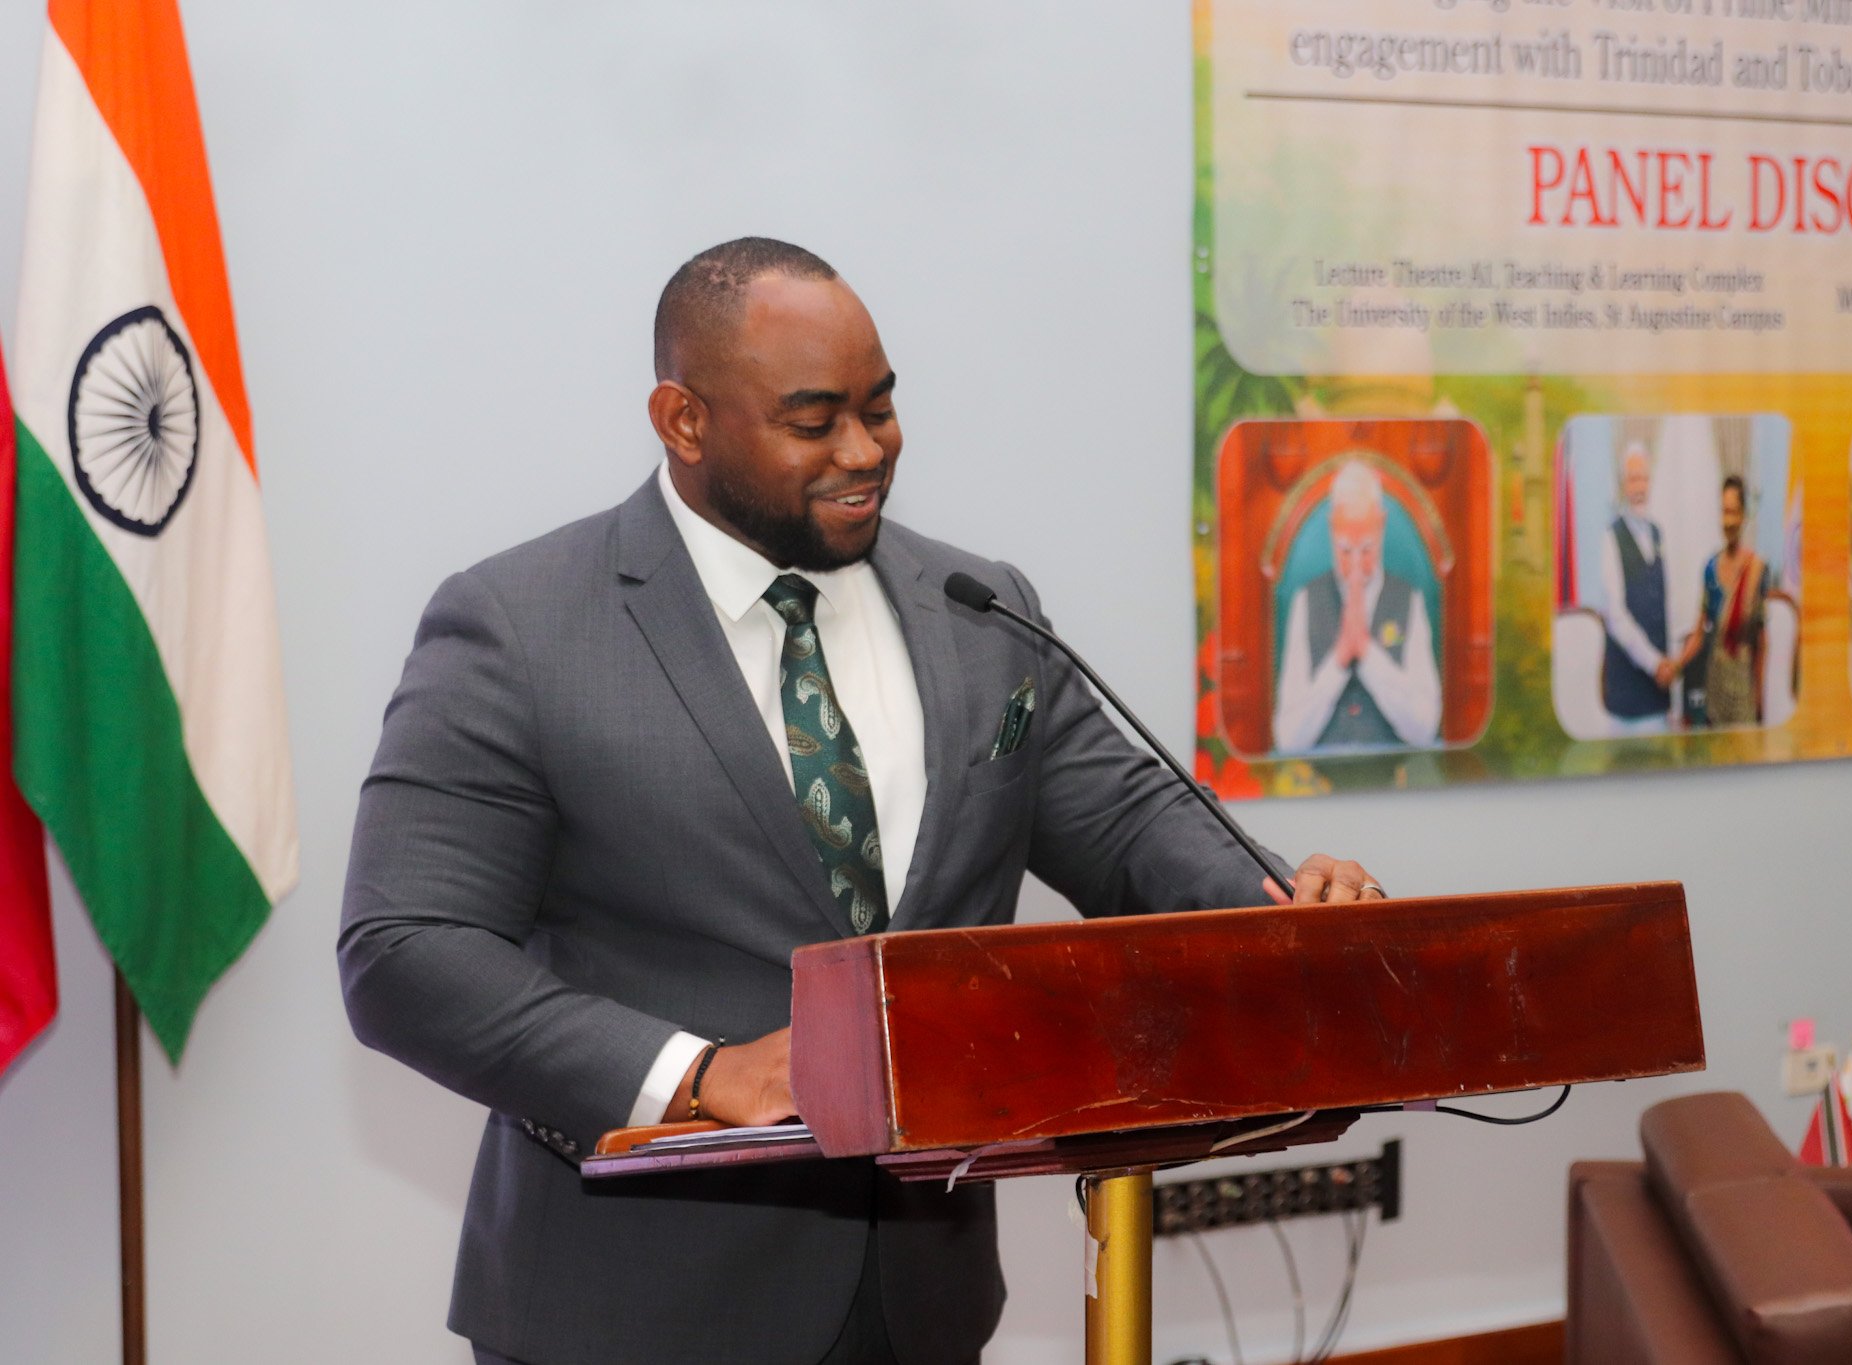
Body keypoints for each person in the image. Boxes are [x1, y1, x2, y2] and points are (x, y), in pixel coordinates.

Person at [337, 238, 1380, 1365]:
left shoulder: (979, 607)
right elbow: (405, 950)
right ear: (683, 421)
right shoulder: (519, 625)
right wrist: (698, 1076)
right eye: (813, 420)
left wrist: (1282, 906)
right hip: (632, 1308)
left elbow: (1126, 824)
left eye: (880, 407)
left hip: (919, 1299)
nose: (865, 450)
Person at [1270, 460, 1442, 751]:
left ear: (1381, 525)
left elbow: (1425, 729)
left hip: (1390, 775)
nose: (1356, 566)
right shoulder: (1305, 601)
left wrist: (1366, 652)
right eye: (1345, 550)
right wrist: (1339, 659)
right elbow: (1287, 739)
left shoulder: (1408, 599)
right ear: (1331, 527)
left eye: (1367, 549)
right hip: (1318, 777)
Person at [1674, 476, 1768, 728]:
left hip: (1744, 687)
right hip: (1715, 683)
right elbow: (1698, 634)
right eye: (1724, 512)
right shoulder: (1710, 569)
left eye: (1734, 512)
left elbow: (1761, 642)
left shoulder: (1757, 570)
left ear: (1744, 516)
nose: (1728, 521)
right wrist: (1675, 666)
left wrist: (1760, 696)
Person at [1596, 442, 1676, 734]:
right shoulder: (1610, 538)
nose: (1639, 486)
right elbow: (1615, 617)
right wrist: (1655, 663)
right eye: (1632, 479)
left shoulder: (1657, 533)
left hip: (1658, 696)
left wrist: (1669, 666)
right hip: (1627, 700)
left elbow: (1664, 605)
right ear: (1623, 485)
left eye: (1643, 478)